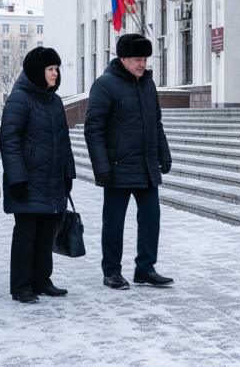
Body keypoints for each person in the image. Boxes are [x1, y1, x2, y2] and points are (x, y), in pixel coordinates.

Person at [84, 34, 173, 290]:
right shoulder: (105, 85)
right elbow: (93, 128)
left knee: (151, 219)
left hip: (145, 166)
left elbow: (156, 123)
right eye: (137, 59)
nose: (142, 64)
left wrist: (163, 155)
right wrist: (100, 166)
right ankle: (111, 271)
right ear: (122, 59)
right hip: (117, 167)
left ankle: (145, 268)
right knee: (114, 223)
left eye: (145, 59)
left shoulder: (148, 84)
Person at [1, 47, 76, 304]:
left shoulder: (54, 100)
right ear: (37, 71)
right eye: (50, 69)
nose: (55, 74)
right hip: (28, 182)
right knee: (26, 236)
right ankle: (21, 286)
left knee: (46, 235)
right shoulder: (19, 99)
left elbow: (63, 141)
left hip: (52, 180)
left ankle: (42, 281)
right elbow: (9, 141)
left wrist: (68, 174)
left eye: (56, 69)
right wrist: (18, 179)